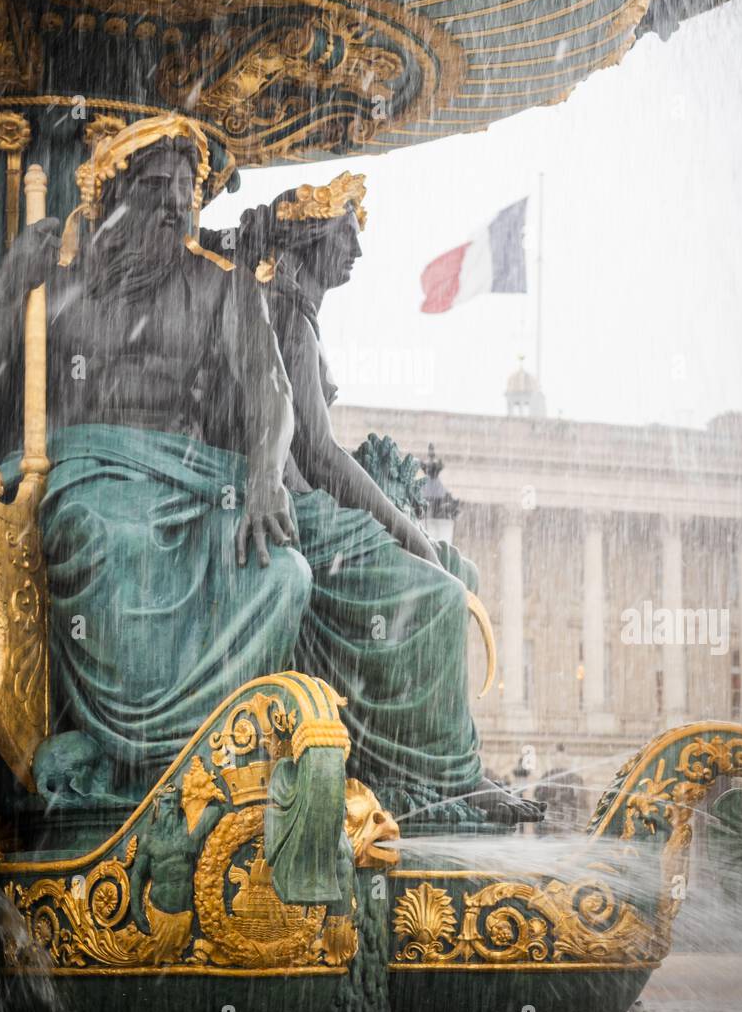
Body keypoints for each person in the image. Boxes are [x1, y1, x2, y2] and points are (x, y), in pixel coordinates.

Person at [0, 115, 306, 794]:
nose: (175, 209)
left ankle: (209, 757)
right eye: (156, 192)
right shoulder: (58, 283)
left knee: (283, 575)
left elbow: (272, 387)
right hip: (87, 472)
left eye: (186, 199)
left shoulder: (220, 286)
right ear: (110, 203)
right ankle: (132, 757)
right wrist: (8, 283)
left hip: (196, 481)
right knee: (117, 542)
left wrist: (265, 479)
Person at [204, 174, 541, 825]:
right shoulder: (284, 314)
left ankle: (430, 758)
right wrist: (404, 529)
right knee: (441, 594)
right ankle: (445, 776)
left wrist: (410, 529)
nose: (358, 252)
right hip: (292, 509)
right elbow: (321, 456)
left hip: (302, 500)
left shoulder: (291, 311)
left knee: (457, 570)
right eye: (349, 235)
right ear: (313, 237)